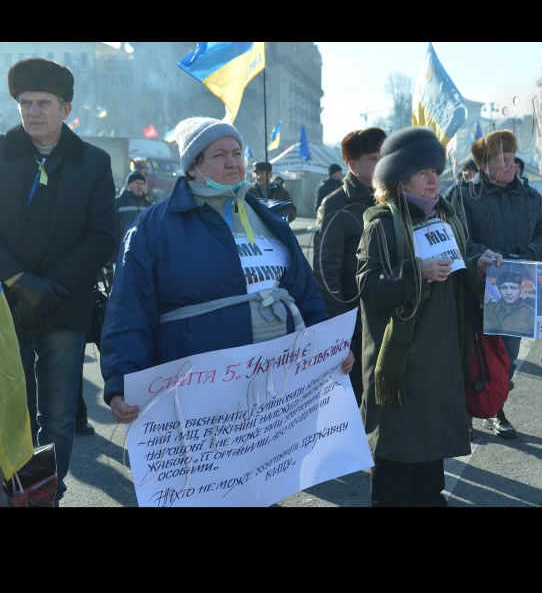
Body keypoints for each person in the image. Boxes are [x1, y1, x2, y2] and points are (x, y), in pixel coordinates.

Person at [101, 118, 346, 425]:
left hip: (280, 384)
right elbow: (129, 307)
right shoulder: (153, 227)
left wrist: (329, 347)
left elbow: (305, 295)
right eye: (219, 155)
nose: (233, 162)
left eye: (237, 153)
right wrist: (122, 380)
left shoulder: (270, 218)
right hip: (202, 391)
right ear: (193, 166)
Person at [357, 126, 500, 507]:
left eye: (435, 171)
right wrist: (414, 272)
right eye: (423, 173)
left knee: (429, 461)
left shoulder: (447, 216)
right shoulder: (382, 223)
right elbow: (367, 285)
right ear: (399, 179)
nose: (434, 179)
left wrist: (478, 266)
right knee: (395, 461)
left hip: (440, 358)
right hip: (401, 363)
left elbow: (459, 269)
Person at [0, 58, 117, 505]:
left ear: (65, 108)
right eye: (24, 103)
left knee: (59, 415)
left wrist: (48, 287)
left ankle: (47, 492)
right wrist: (19, 279)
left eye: (42, 103)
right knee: (11, 410)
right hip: (6, 305)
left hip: (65, 307)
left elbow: (102, 235)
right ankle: (12, 492)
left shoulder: (94, 162)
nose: (32, 112)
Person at [453, 130, 542, 440]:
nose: (511, 166)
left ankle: (495, 409)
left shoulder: (530, 196)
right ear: (484, 165)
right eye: (502, 161)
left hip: (515, 292)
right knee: (465, 354)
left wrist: (520, 255)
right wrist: (480, 259)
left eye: (511, 159)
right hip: (471, 291)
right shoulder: (462, 195)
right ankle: (461, 414)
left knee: (506, 357)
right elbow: (457, 239)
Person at [313, 127, 386, 405]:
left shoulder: (393, 200)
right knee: (354, 404)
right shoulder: (335, 205)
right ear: (353, 165)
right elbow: (325, 274)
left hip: (390, 319)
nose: (381, 164)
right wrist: (338, 336)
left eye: (384, 156)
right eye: (372, 158)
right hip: (356, 326)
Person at [113, 170, 152, 265]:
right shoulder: (118, 203)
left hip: (143, 252)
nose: (140, 186)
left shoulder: (149, 205)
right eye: (137, 183)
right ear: (127, 185)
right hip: (122, 251)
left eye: (142, 183)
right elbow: (112, 227)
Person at [484, 271, 535, 337]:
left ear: (521, 288)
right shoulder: (488, 308)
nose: (508, 292)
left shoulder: (531, 315)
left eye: (513, 288)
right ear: (499, 289)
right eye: (504, 288)